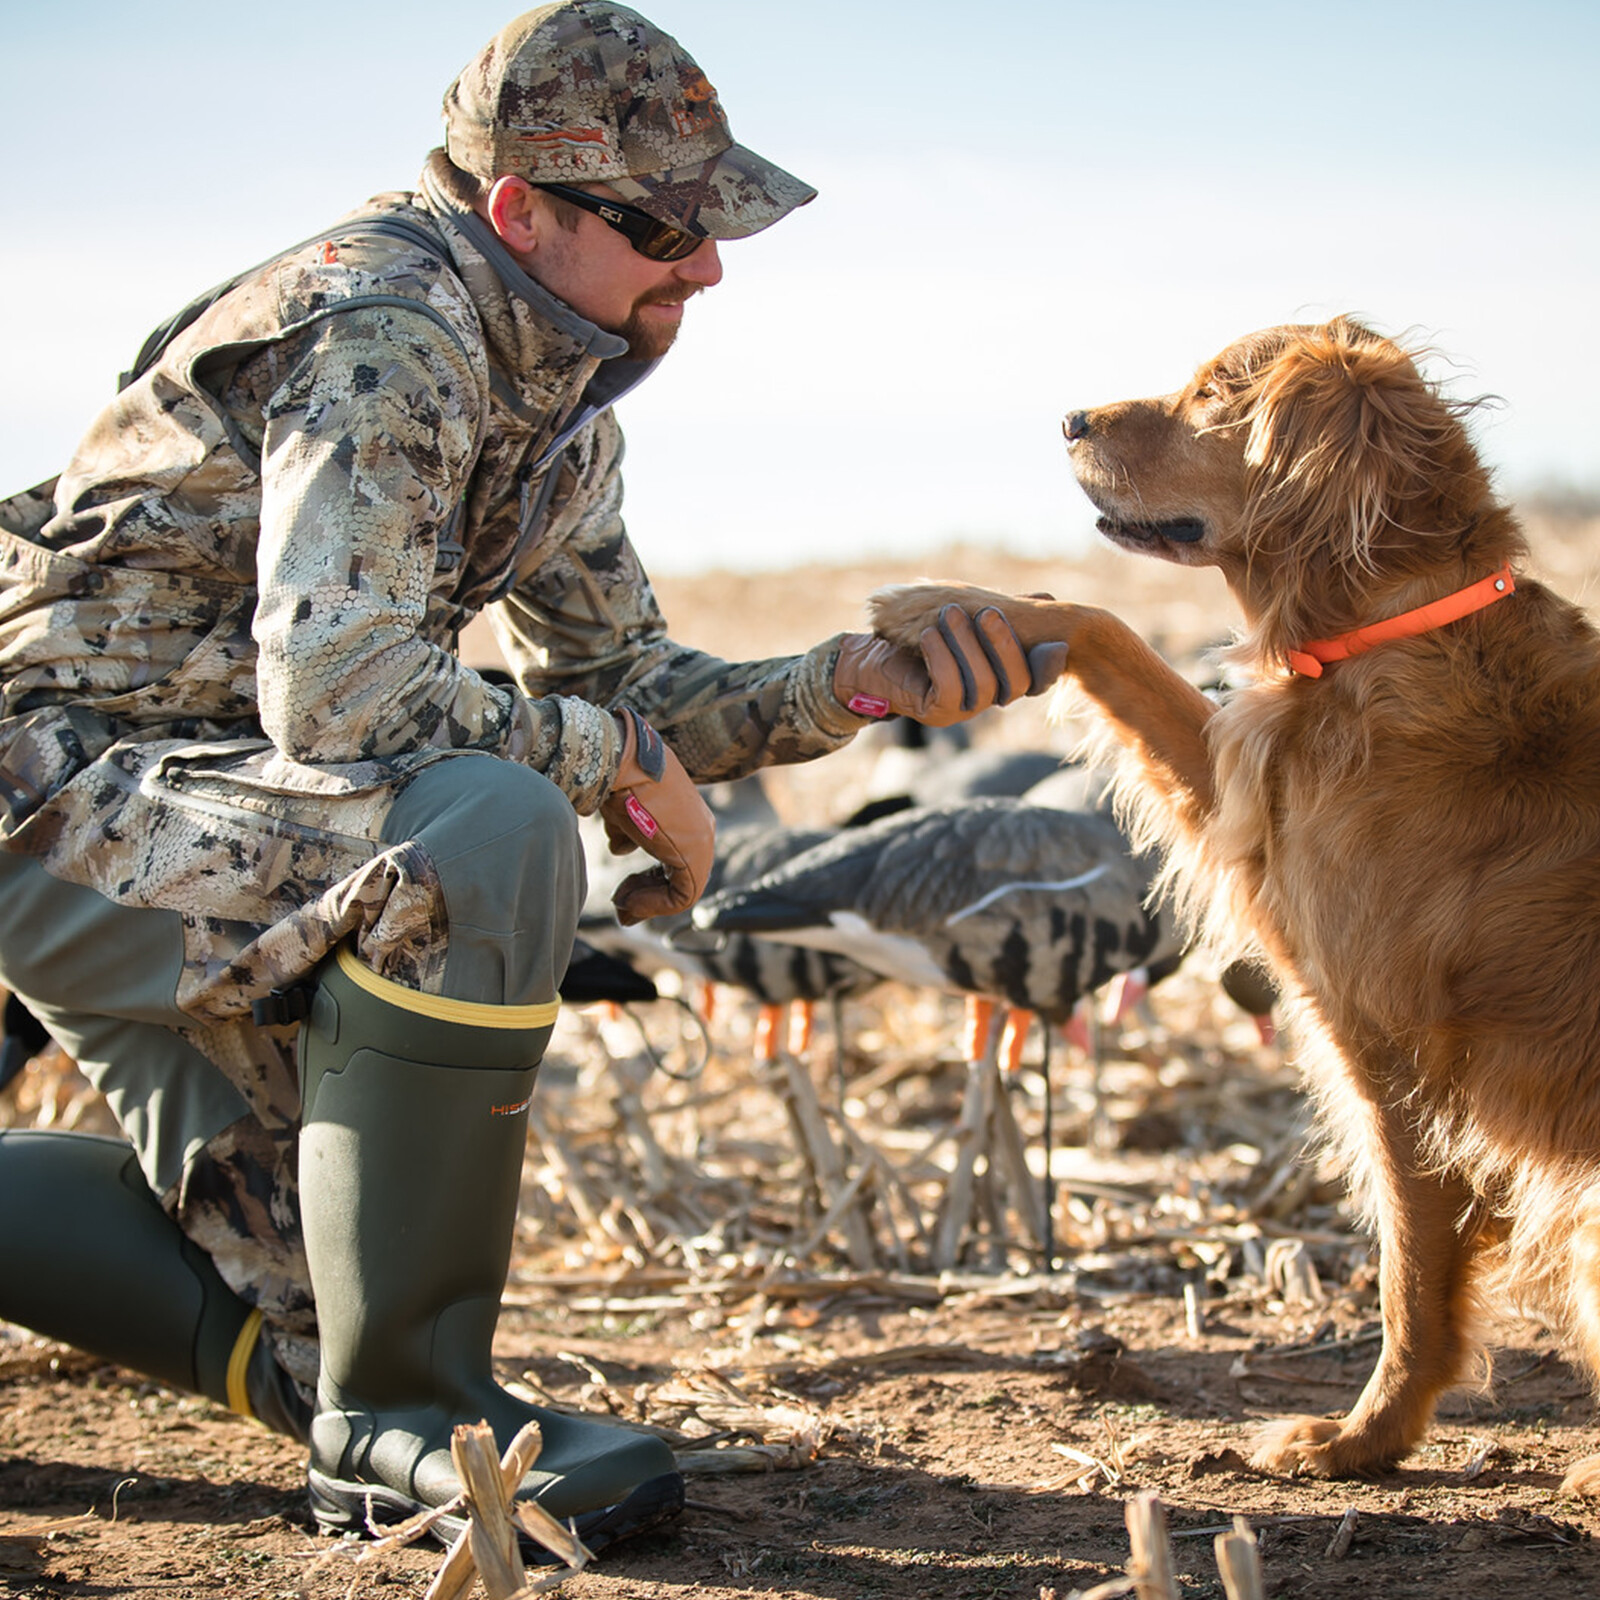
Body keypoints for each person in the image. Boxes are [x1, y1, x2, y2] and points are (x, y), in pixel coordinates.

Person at [0, 1, 1061, 1557]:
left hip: (218, 822)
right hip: (61, 800)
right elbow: (350, 701)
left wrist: (854, 685)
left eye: (718, 225)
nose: (704, 265)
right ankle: (413, 1421)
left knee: (307, 1320)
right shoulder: (390, 328)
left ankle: (358, 1390)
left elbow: (622, 683)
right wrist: (621, 772)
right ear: (522, 211)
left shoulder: (553, 385)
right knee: (486, 828)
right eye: (664, 227)